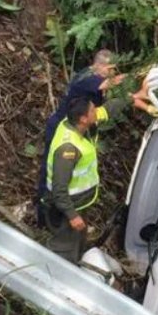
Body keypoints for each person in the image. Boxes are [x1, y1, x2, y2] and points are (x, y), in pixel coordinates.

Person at [36, 49, 124, 222]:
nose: (112, 72)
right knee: (51, 173)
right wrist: (138, 75)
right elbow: (109, 84)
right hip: (61, 128)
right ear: (98, 65)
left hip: (76, 128)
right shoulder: (87, 78)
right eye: (110, 68)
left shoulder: (95, 77)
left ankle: (58, 211)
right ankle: (44, 214)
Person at [42, 95, 126, 262]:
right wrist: (72, 216)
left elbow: (105, 111)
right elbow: (59, 189)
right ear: (83, 119)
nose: (97, 112)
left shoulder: (73, 121)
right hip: (67, 207)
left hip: (79, 203)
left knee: (77, 242)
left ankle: (74, 263)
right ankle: (56, 274)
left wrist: (131, 97)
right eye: (93, 110)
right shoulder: (68, 149)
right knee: (64, 248)